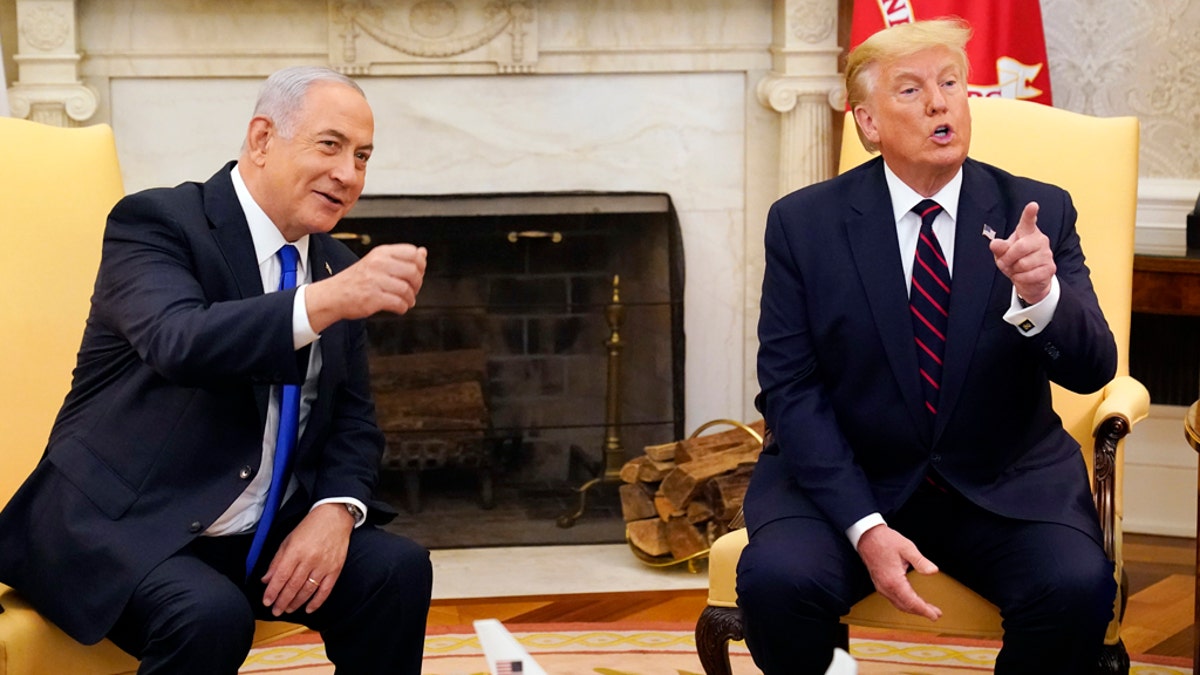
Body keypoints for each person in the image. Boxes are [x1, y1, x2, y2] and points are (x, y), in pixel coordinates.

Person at [0, 66, 433, 674]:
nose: (349, 174)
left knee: (396, 571)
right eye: (330, 145)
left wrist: (334, 510)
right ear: (261, 139)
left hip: (250, 528)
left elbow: (354, 422)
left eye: (362, 156)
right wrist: (327, 302)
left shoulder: (333, 265)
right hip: (122, 524)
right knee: (209, 615)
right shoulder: (156, 224)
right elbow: (181, 341)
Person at [737, 19, 1118, 675]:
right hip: (848, 482)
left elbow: (1093, 369)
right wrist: (866, 525)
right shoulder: (803, 225)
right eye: (911, 90)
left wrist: (1041, 294)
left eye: (950, 84)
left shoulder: (1037, 212)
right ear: (869, 122)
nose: (940, 103)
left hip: (1002, 483)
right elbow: (791, 391)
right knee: (777, 582)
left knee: (1075, 587)